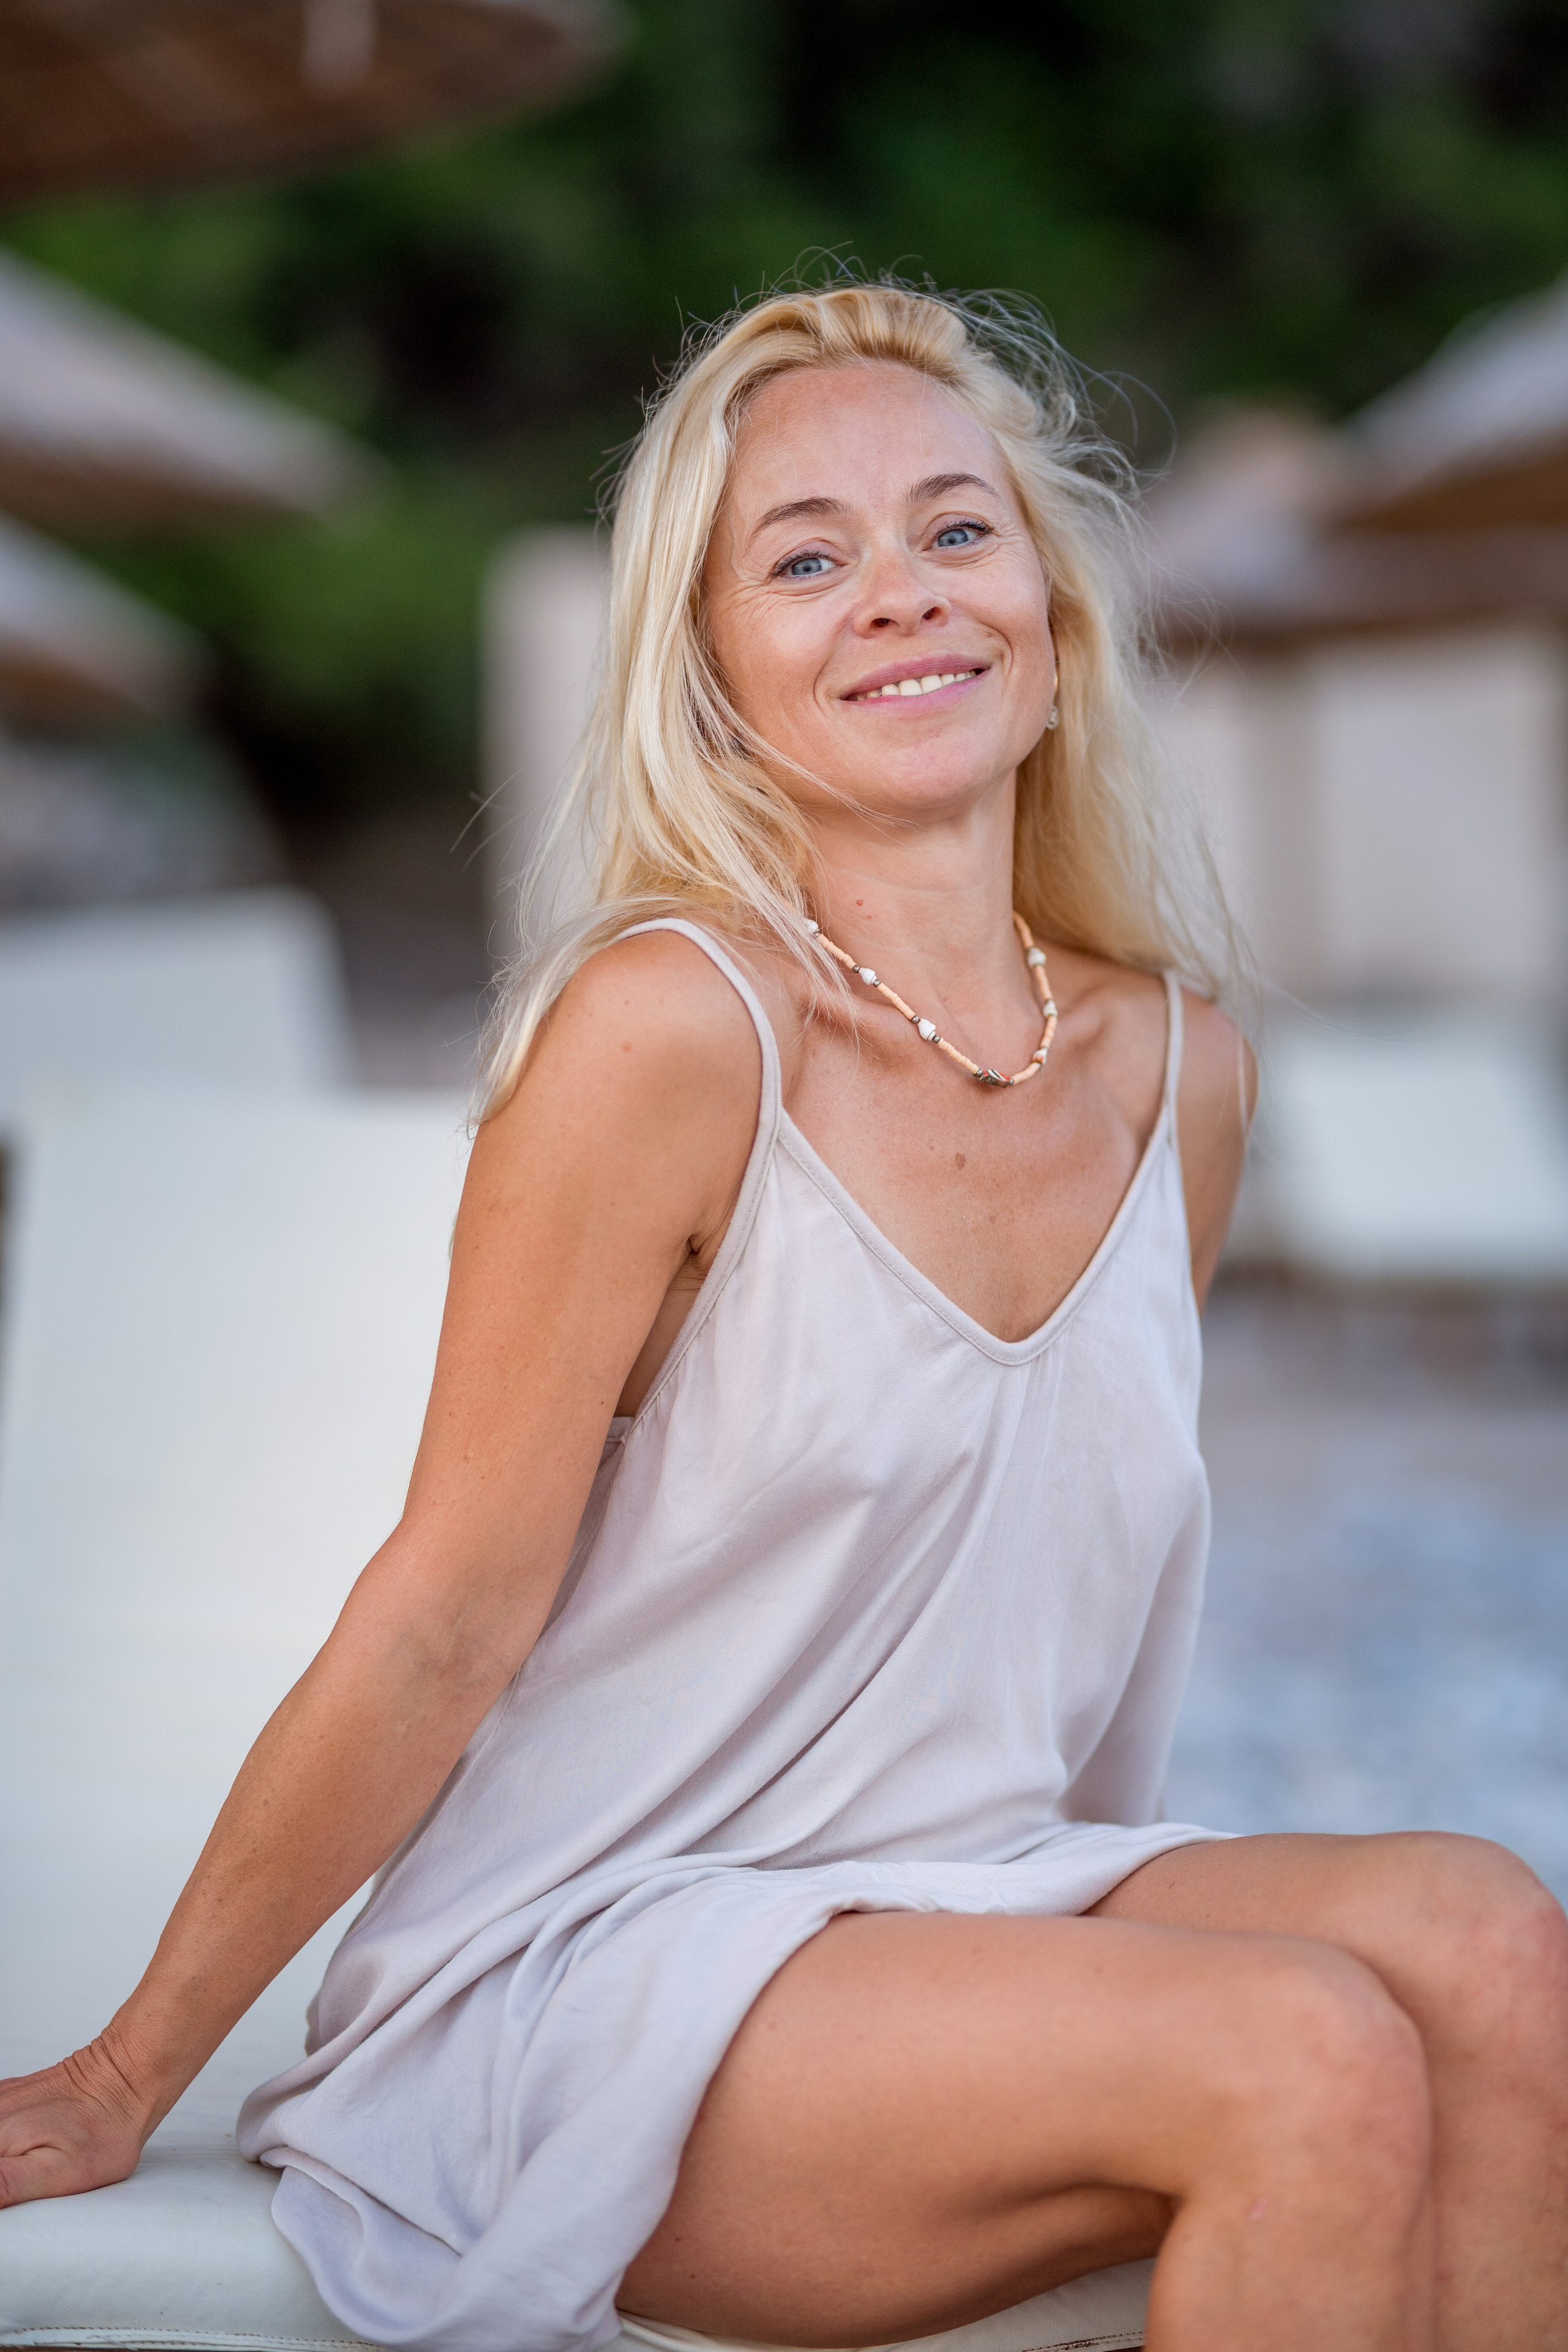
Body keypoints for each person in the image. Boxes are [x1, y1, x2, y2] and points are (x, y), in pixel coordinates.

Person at [1, 282, 1564, 2352]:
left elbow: (1039, 1591)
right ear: (718, 677)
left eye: (952, 529)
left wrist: (1088, 1953)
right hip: (615, 1955)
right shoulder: (670, 1033)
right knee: (1300, 2049)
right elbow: (449, 1604)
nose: (900, 597)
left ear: (1055, 608)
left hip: (964, 1892)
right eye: (805, 561)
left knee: (1498, 1940)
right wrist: (133, 2069)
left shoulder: (1181, 1069)